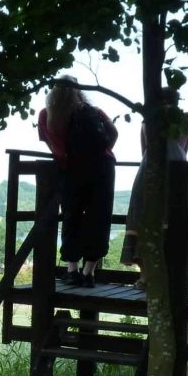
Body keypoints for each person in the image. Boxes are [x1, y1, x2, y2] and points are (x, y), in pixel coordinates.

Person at [37, 76, 118, 288]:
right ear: (78, 90)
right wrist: (103, 151)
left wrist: (64, 157)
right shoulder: (94, 111)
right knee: (99, 217)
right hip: (102, 168)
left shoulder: (46, 115)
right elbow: (114, 133)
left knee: (71, 216)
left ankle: (71, 271)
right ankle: (88, 272)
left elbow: (49, 143)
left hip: (70, 169)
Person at [119, 119, 188, 288]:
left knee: (142, 217)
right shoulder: (185, 122)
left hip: (150, 169)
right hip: (178, 171)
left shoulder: (148, 121)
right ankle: (171, 277)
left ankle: (145, 276)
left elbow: (145, 150)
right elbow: (184, 150)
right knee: (173, 220)